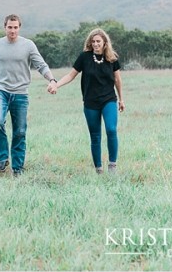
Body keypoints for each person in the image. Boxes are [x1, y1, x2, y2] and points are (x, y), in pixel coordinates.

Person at [0, 14, 57, 177]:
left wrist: (51, 79)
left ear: (19, 28)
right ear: (5, 27)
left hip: (21, 94)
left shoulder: (28, 45)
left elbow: (41, 65)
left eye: (16, 27)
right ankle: (2, 159)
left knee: (20, 132)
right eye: (10, 27)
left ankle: (18, 168)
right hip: (0, 91)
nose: (13, 30)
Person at [49, 28, 125, 174]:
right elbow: (71, 75)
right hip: (90, 102)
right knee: (95, 135)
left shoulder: (112, 58)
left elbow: (117, 80)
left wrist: (121, 99)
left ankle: (112, 166)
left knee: (111, 129)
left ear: (104, 43)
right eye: (93, 41)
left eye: (98, 41)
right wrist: (56, 84)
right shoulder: (84, 57)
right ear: (90, 43)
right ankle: (98, 169)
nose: (95, 44)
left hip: (109, 99)